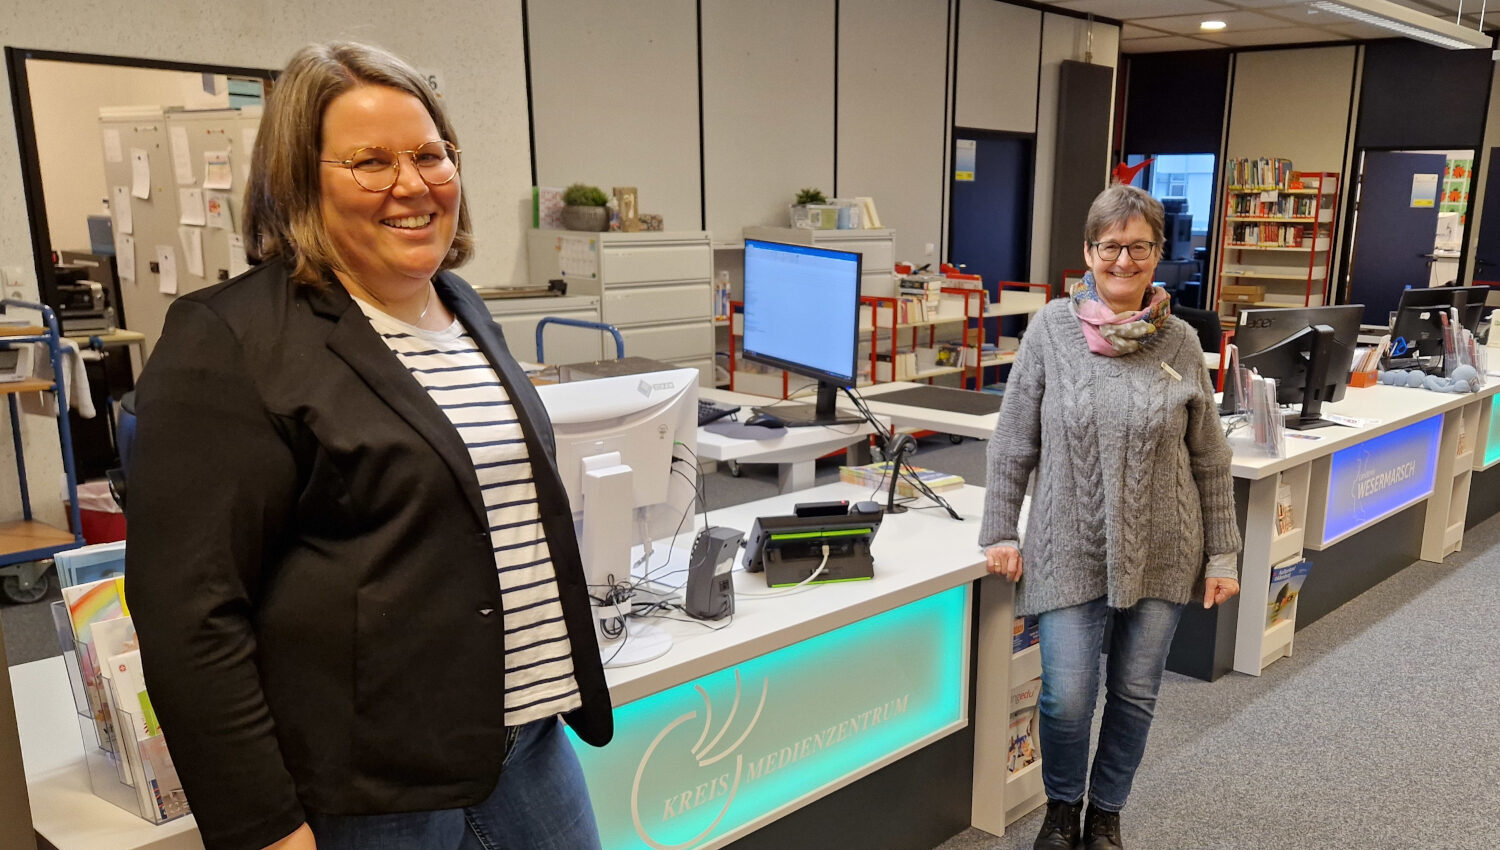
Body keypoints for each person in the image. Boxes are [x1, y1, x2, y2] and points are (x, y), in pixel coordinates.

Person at [124, 42, 611, 850]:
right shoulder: (233, 340)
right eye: (371, 162)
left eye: (430, 155)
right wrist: (265, 827)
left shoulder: (461, 308)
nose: (412, 184)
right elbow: (189, 614)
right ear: (298, 182)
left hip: (526, 750)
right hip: (373, 793)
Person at [979, 183, 1242, 850]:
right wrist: (1000, 529)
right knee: (1066, 697)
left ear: (1159, 254)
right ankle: (1062, 807)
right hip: (1068, 543)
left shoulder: (1181, 342)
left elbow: (1209, 456)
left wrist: (1223, 553)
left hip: (1163, 545)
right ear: (1089, 252)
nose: (1124, 260)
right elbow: (1014, 440)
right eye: (1111, 246)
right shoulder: (1050, 331)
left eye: (1140, 247)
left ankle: (1106, 813)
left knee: (1134, 692)